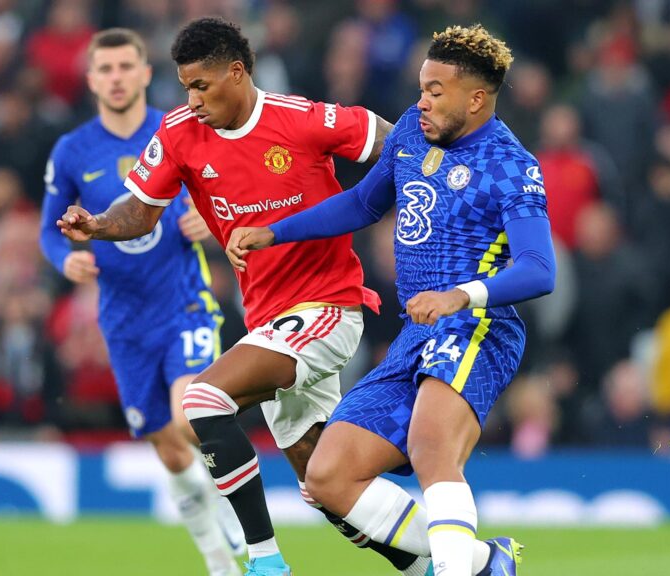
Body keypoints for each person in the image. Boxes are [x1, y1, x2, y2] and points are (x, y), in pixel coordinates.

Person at [58, 17, 437, 576]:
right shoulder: (180, 133)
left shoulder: (300, 118)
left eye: (201, 85)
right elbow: (140, 211)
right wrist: (96, 224)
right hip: (268, 321)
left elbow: (394, 142)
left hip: (327, 306)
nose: (192, 98)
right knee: (324, 482)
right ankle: (454, 562)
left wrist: (400, 207)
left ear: (236, 72)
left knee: (203, 401)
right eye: (185, 86)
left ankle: (264, 561)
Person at [227, 24, 557, 576]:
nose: (420, 101)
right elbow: (361, 203)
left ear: (476, 99)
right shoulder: (409, 132)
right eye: (421, 87)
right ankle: (481, 561)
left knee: (432, 446)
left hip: (478, 326)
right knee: (327, 475)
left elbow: (539, 269)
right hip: (417, 333)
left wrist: (460, 295)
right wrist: (276, 231)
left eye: (435, 91)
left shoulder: (510, 165)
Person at [38, 28, 243, 576]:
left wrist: (213, 216)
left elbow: (231, 189)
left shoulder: (179, 128)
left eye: (126, 66)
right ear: (90, 80)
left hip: (185, 299)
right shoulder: (73, 151)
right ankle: (218, 561)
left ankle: (238, 524)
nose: (117, 77)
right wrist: (66, 260)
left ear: (146, 73)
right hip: (124, 319)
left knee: (188, 417)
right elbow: (48, 232)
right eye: (105, 69)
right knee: (169, 449)